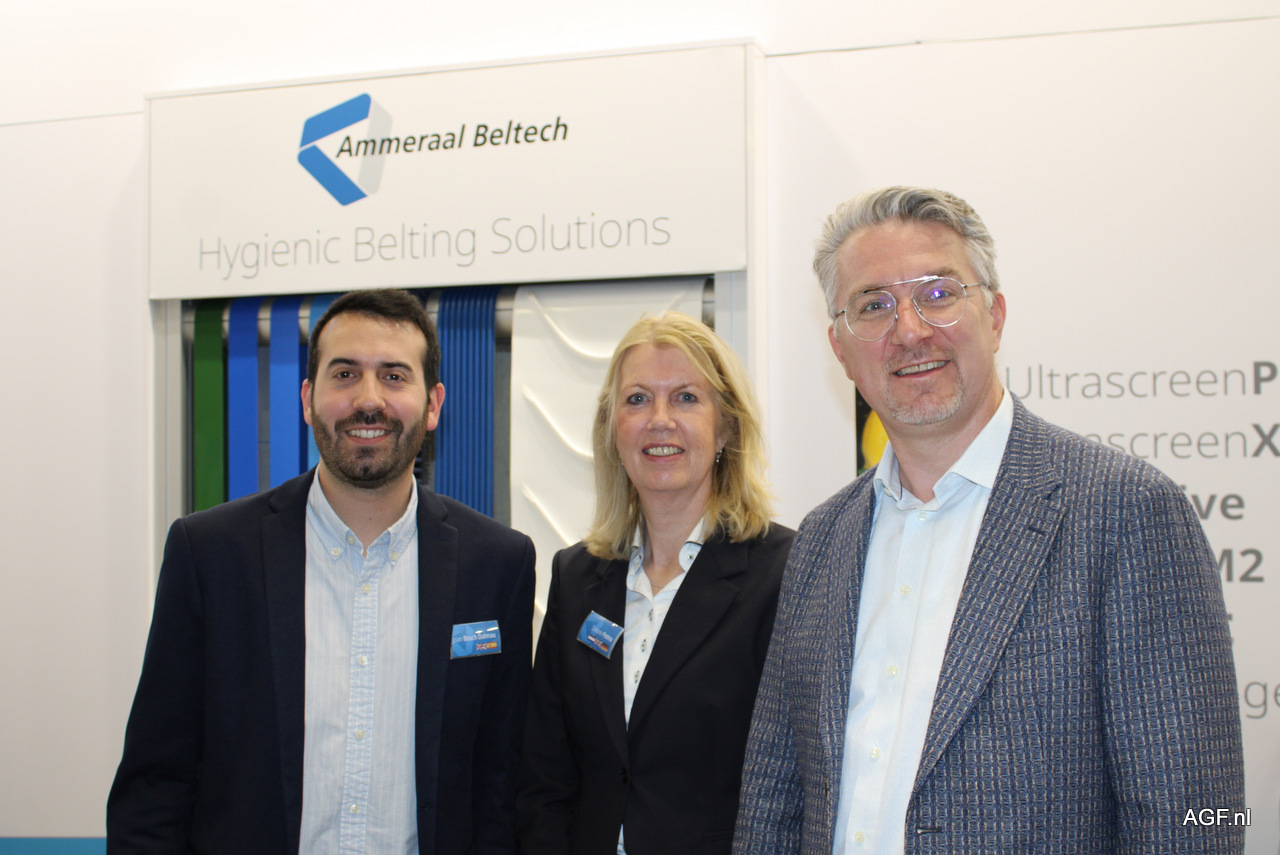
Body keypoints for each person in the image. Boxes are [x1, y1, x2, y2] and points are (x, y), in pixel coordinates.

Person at [733, 187, 1245, 854]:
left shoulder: (1126, 513)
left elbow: (1195, 814)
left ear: (995, 316)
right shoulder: (822, 539)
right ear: (840, 347)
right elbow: (773, 801)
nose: (909, 329)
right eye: (874, 305)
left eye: (938, 293)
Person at [108, 289, 536, 854]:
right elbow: (155, 786)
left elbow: (503, 784)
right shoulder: (210, 554)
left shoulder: (498, 564)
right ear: (309, 399)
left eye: (393, 376)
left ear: (433, 405)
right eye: (345, 374)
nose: (368, 399)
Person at [518, 312, 794, 855]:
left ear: (725, 427)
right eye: (638, 399)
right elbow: (545, 775)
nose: (659, 420)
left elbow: (795, 783)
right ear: (612, 429)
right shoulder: (576, 578)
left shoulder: (783, 572)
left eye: (686, 398)